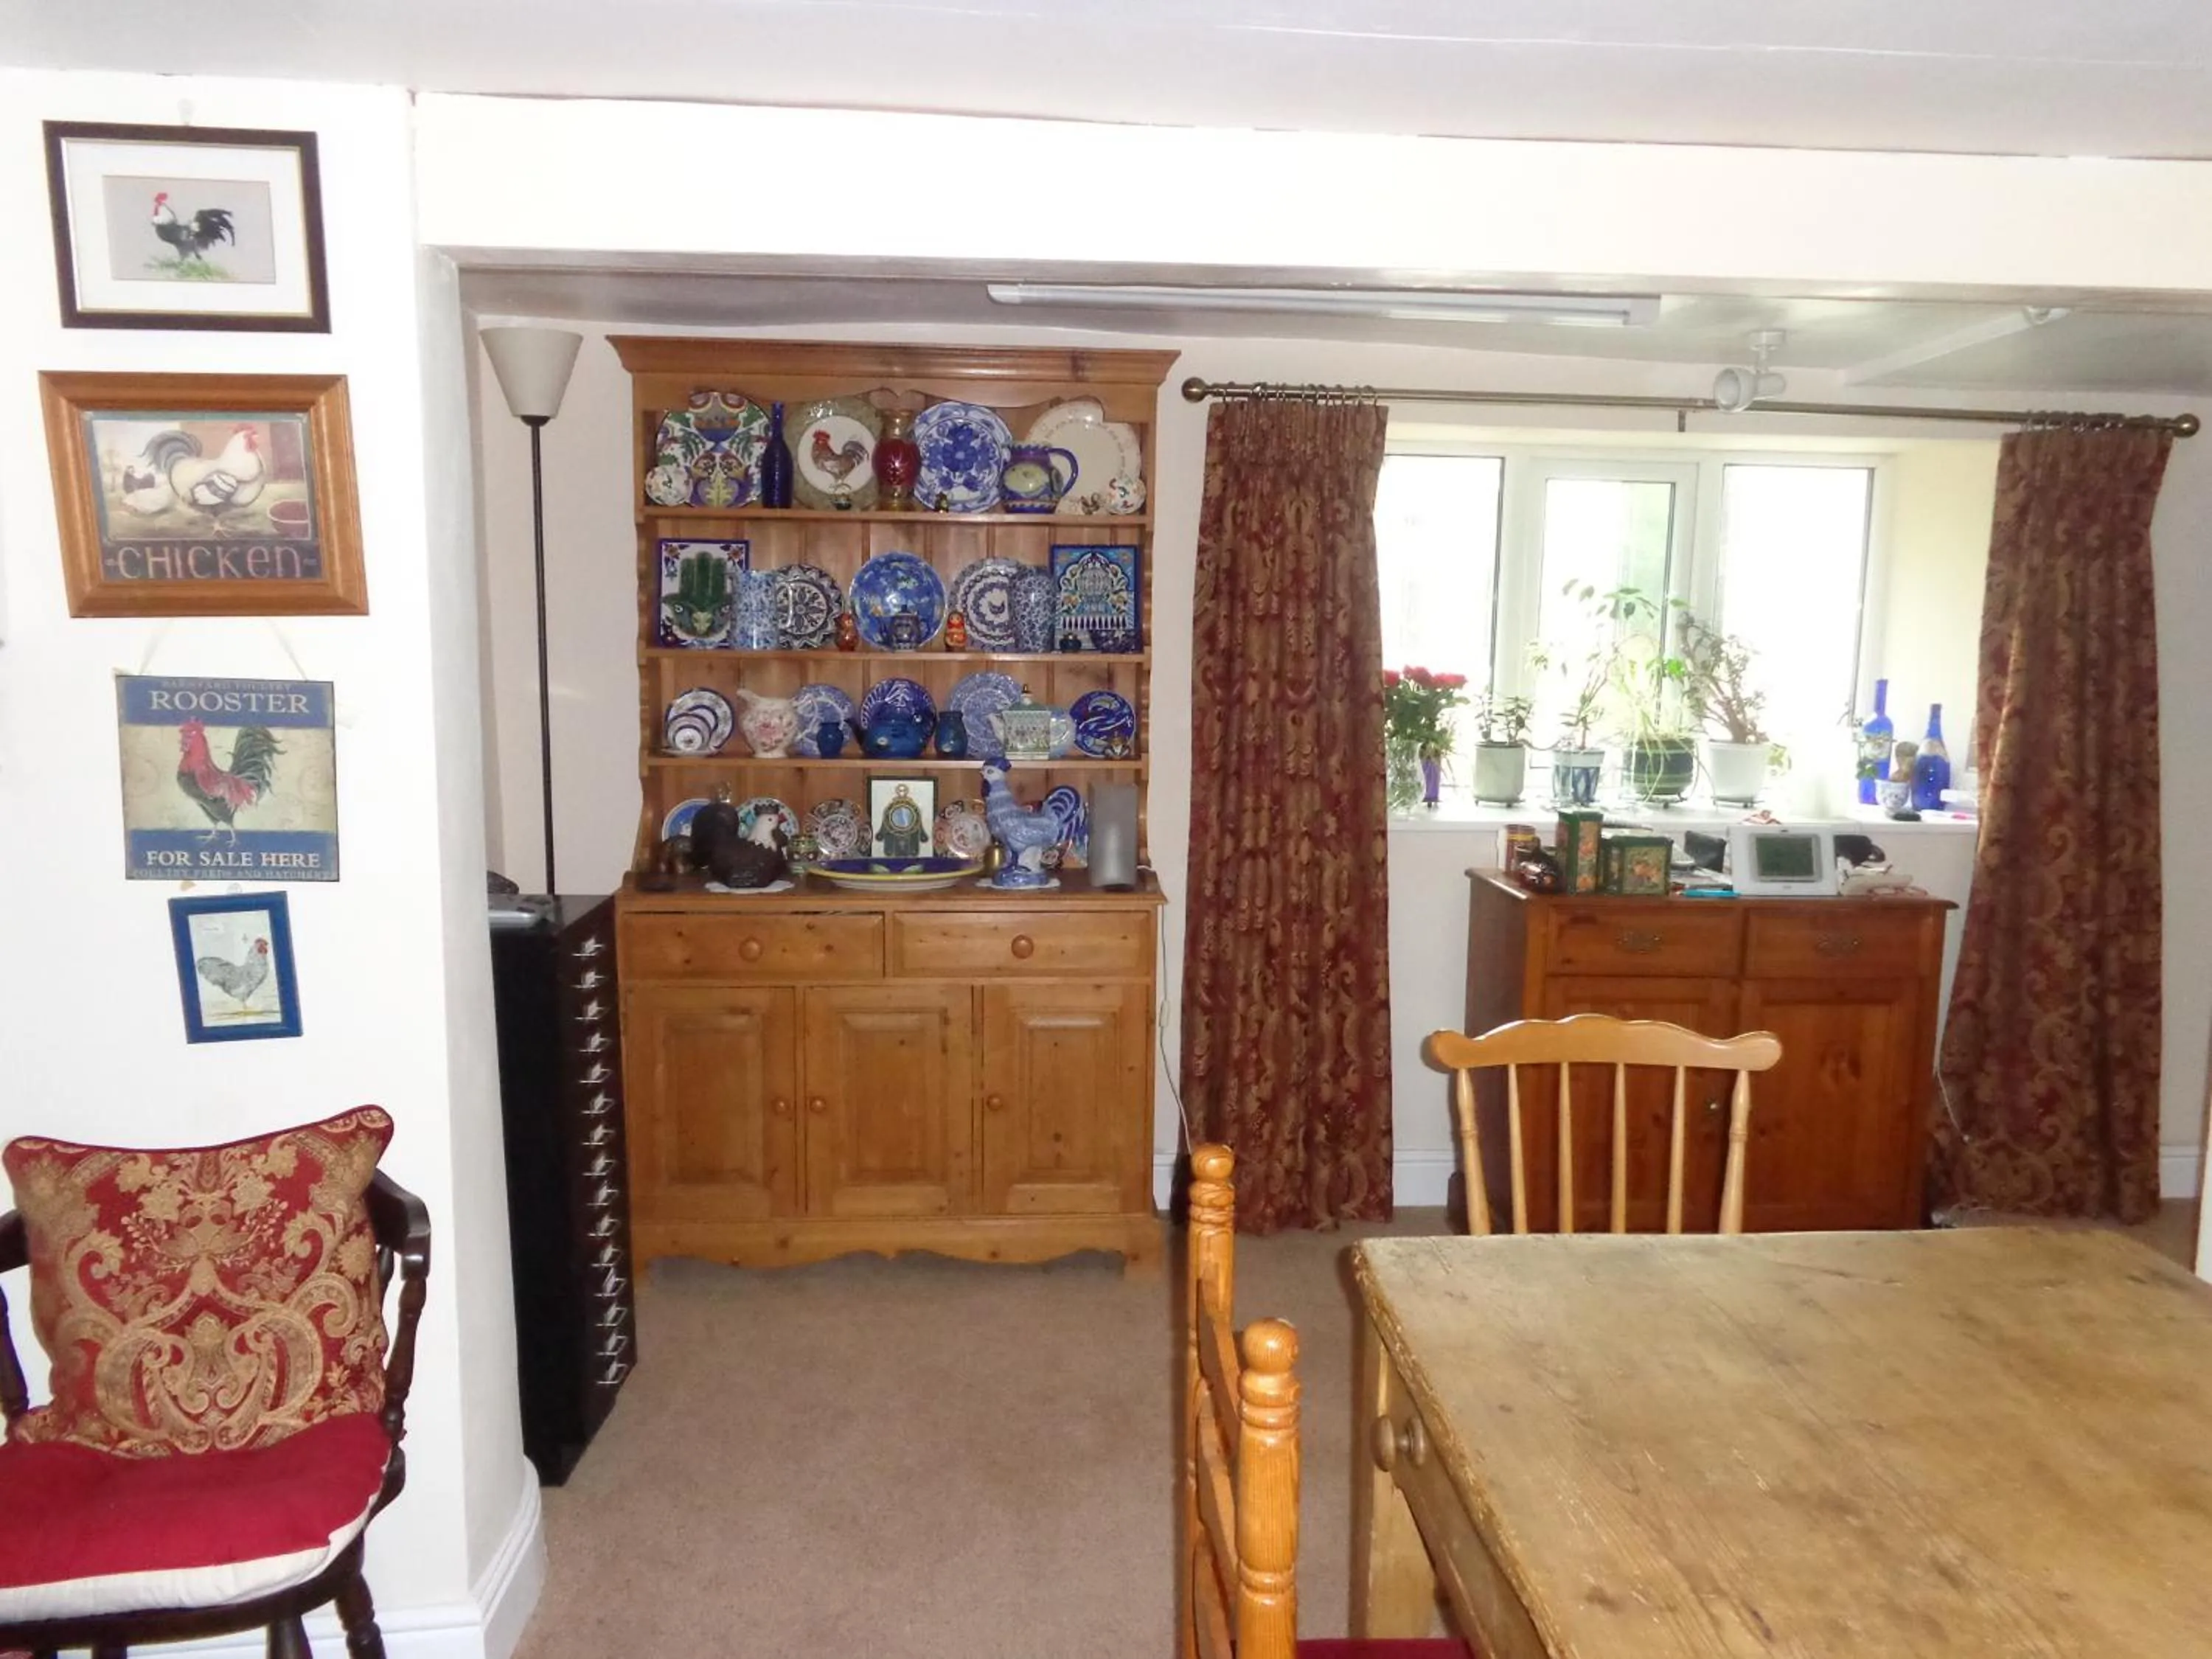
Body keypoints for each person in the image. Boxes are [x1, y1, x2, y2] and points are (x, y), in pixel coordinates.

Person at [877, 783, 926, 858]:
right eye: (901, 790)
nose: (902, 792)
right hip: (895, 841)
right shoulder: (892, 811)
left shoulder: (912, 811)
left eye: (903, 790)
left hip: (910, 841)